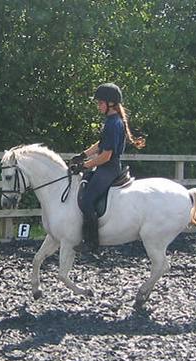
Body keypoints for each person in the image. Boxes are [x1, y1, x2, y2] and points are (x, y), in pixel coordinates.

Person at [75, 84, 145, 255]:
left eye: (100, 103)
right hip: (103, 166)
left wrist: (84, 165)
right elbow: (100, 144)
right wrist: (82, 155)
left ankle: (92, 242)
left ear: (111, 104)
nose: (98, 106)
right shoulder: (111, 121)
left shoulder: (114, 123)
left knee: (87, 201)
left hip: (109, 169)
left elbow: (106, 156)